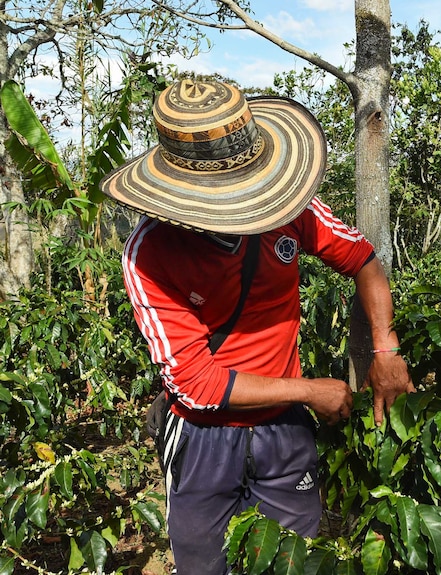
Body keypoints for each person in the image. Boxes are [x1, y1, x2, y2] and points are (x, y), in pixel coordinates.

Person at [100, 79, 414, 575]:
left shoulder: (287, 207)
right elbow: (195, 384)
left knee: (296, 560)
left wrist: (385, 347)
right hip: (205, 439)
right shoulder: (152, 255)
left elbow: (364, 261)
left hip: (282, 432)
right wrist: (310, 390)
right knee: (203, 565)